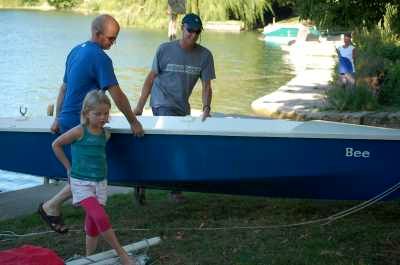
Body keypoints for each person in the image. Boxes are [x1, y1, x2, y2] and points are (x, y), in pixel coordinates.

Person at [37, 14, 144, 234]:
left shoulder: (76, 51)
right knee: (87, 177)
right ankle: (51, 206)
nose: (113, 44)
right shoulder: (100, 58)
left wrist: (58, 118)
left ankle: (74, 217)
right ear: (97, 34)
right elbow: (117, 94)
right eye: (111, 39)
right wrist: (133, 122)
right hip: (83, 125)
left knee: (86, 174)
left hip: (70, 122)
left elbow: (63, 89)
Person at [134, 13, 215, 204]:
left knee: (176, 147)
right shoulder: (164, 49)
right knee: (174, 146)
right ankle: (174, 191)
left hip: (182, 106)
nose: (193, 35)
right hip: (161, 102)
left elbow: (206, 86)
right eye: (190, 31)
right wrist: (139, 107)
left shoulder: (205, 56)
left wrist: (206, 107)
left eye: (197, 32)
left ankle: (142, 182)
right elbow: (150, 79)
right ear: (182, 28)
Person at [52, 91, 136, 265]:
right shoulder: (79, 131)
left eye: (105, 113)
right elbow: (56, 144)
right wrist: (68, 168)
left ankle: (89, 258)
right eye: (97, 114)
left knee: (92, 223)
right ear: (86, 113)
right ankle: (122, 254)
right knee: (100, 217)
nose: (102, 117)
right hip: (81, 183)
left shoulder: (105, 134)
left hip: (100, 182)